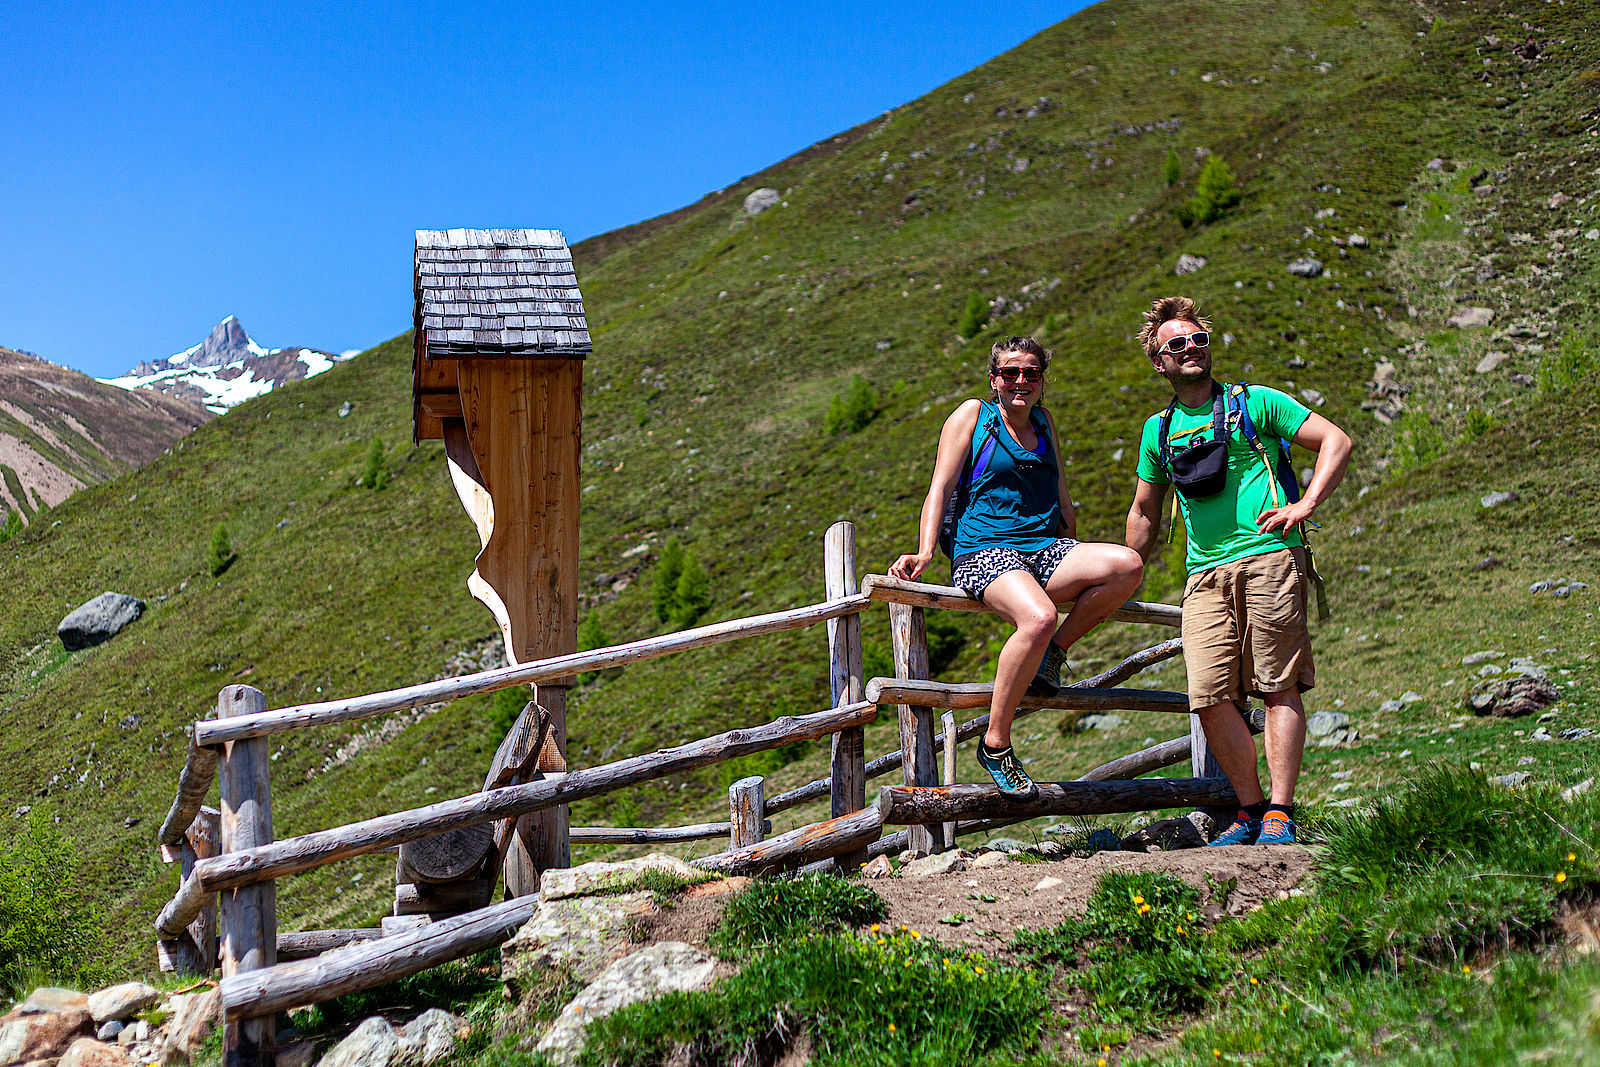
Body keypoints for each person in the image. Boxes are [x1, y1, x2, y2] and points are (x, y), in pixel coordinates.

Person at [1125, 297, 1352, 845]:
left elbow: (1335, 441)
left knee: (1278, 686)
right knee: (1209, 695)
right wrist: (1127, 570)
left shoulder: (1256, 403)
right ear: (1159, 362)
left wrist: (1305, 508)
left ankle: (1279, 811)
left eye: (1197, 339)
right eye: (1175, 344)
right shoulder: (1159, 432)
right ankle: (1247, 810)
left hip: (1271, 557)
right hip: (1203, 574)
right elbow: (1144, 510)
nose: (1190, 349)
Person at [891, 336, 1145, 799]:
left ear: (1042, 380)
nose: (1021, 381)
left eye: (1031, 372)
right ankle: (995, 743)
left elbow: (1062, 492)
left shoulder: (1045, 422)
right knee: (1039, 616)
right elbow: (940, 489)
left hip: (1044, 545)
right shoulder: (973, 415)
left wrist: (1074, 543)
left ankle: (1053, 653)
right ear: (995, 380)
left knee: (1127, 565)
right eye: (1010, 373)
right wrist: (925, 550)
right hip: (982, 550)